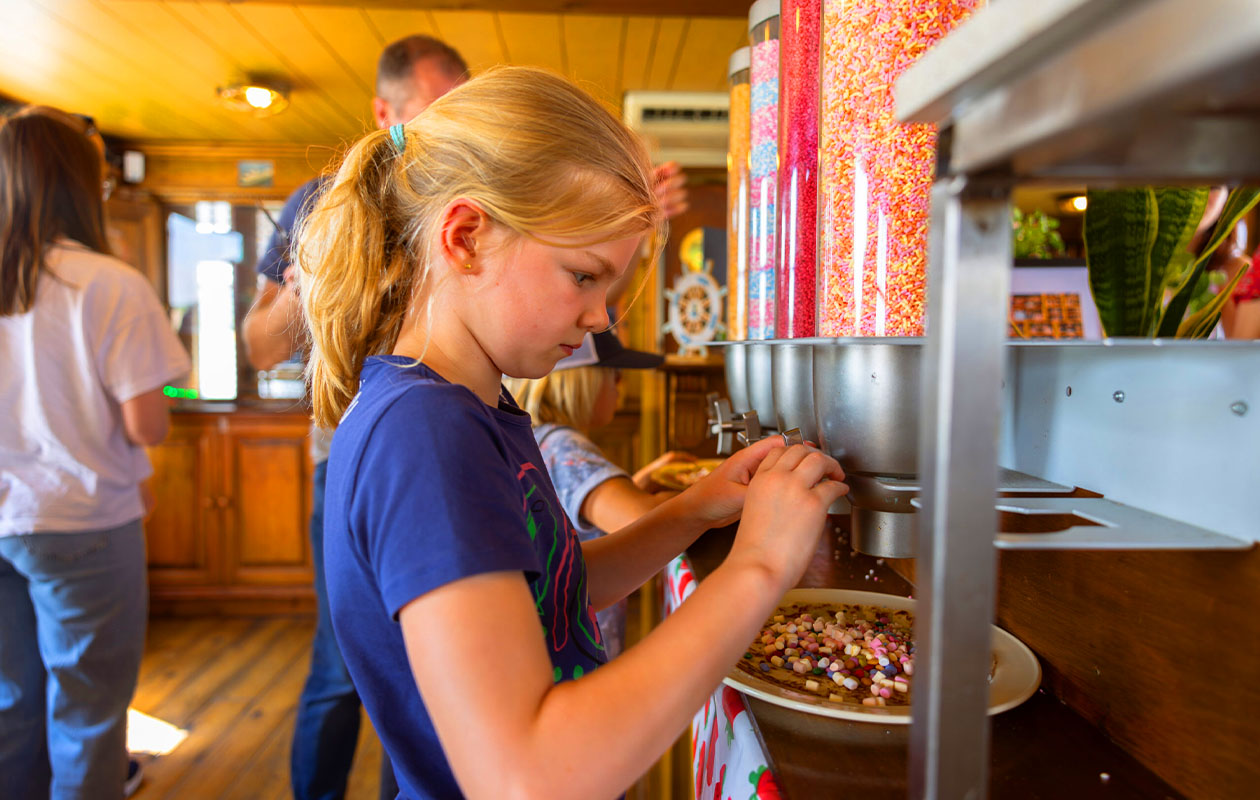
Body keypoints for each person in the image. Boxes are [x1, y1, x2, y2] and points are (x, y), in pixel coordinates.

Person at [296, 65, 848, 799]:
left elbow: (554, 587)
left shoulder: (475, 407)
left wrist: (698, 507)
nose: (601, 319)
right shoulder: (425, 435)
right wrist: (761, 565)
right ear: (465, 236)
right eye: (584, 277)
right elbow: (530, 775)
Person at [241, 33, 469, 800]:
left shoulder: (468, 200)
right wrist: (319, 276)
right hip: (349, 459)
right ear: (385, 111)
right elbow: (258, 346)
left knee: (428, 677)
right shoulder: (320, 201)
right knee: (343, 668)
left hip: (451, 455)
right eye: (441, 108)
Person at [0, 106, 190, 800]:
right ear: (81, 186)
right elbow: (149, 427)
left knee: (9, 708)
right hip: (83, 523)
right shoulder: (110, 285)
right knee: (89, 715)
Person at [504, 329, 695, 659]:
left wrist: (632, 484)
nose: (620, 387)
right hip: (581, 641)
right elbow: (644, 521)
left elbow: (577, 511)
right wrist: (697, 491)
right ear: (583, 382)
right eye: (615, 376)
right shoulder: (567, 446)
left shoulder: (541, 438)